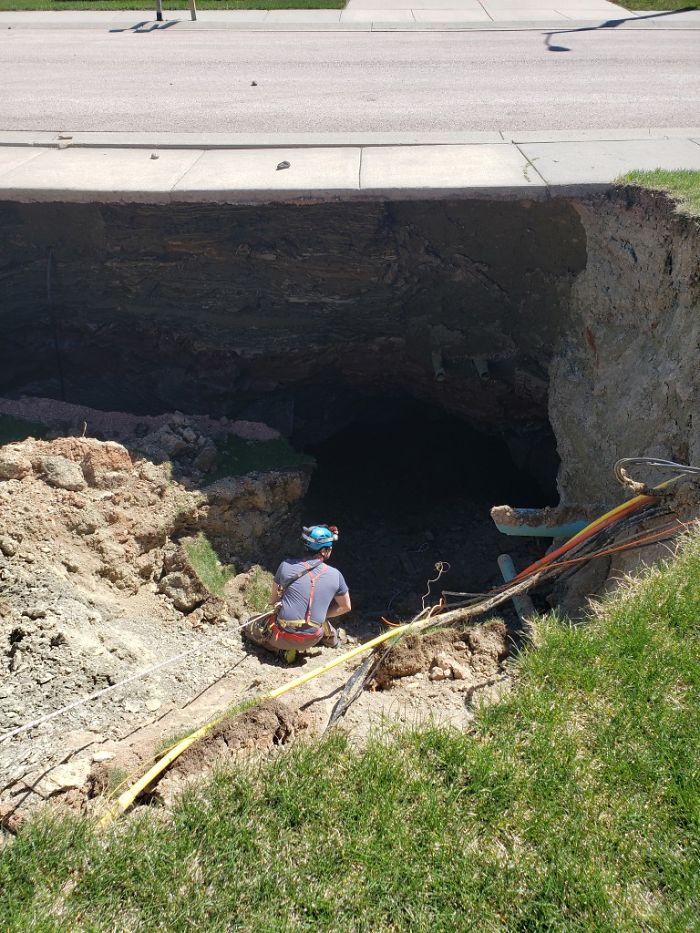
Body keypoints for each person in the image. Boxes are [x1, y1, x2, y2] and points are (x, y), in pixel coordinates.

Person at [243, 525, 352, 663]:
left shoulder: (286, 566)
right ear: (324, 551)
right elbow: (346, 606)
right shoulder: (336, 575)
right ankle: (333, 642)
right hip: (312, 639)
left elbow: (273, 600)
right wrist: (322, 614)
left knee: (250, 625)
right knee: (321, 619)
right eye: (330, 548)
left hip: (282, 636)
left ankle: (279, 649)